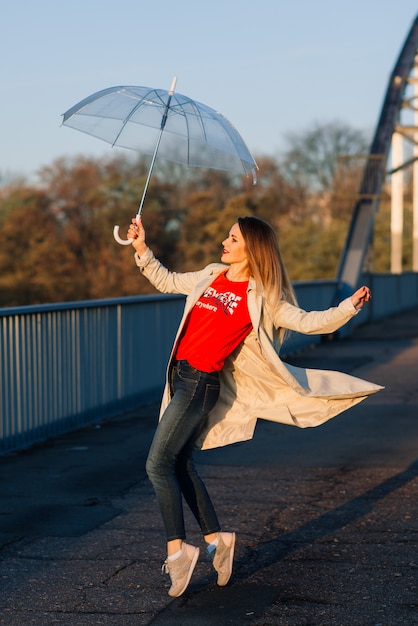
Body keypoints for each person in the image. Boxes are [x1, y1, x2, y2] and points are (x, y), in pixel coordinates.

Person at [127, 215, 382, 598]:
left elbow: (310, 322)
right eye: (227, 236)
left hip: (200, 385)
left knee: (156, 464)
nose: (224, 242)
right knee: (178, 463)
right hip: (179, 376)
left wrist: (349, 306)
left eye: (233, 238)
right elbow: (167, 280)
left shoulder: (262, 296)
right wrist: (142, 249)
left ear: (252, 249)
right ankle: (217, 541)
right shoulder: (211, 274)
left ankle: (178, 552)